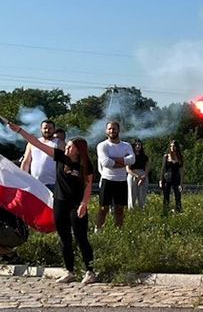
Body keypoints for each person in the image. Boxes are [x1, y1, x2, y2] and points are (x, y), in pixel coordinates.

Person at [7, 123, 97, 284]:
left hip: (76, 204)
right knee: (64, 238)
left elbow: (88, 185)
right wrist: (20, 131)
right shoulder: (60, 157)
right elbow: (37, 144)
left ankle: (90, 271)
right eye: (67, 146)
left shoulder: (85, 164)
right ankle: (70, 271)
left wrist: (84, 203)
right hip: (60, 202)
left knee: (81, 237)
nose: (66, 148)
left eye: (69, 146)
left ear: (78, 149)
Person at [95, 121, 135, 229]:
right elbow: (105, 163)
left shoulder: (126, 145)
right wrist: (123, 162)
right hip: (107, 180)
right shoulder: (102, 145)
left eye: (114, 129)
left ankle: (119, 230)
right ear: (106, 131)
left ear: (118, 130)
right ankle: (98, 229)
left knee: (120, 209)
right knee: (103, 208)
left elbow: (132, 160)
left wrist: (114, 161)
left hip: (121, 181)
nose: (112, 131)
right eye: (110, 129)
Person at [21, 120, 60, 190]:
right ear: (41, 129)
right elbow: (26, 161)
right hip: (35, 183)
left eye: (50, 128)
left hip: (53, 184)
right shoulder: (32, 143)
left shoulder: (60, 143)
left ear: (54, 129)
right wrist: (23, 179)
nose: (47, 130)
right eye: (45, 128)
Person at [160, 140, 184, 213]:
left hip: (176, 179)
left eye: (174, 146)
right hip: (167, 179)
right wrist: (161, 180)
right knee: (166, 197)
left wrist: (181, 182)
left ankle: (178, 211)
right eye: (171, 146)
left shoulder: (180, 157)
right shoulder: (166, 156)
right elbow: (163, 169)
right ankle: (165, 212)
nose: (172, 148)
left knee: (177, 196)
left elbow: (181, 170)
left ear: (177, 147)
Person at [127, 140, 149, 209]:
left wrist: (143, 176)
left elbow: (147, 167)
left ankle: (141, 209)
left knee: (142, 194)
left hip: (143, 175)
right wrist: (137, 176)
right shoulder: (130, 156)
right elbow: (128, 169)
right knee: (132, 193)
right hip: (133, 175)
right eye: (136, 145)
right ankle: (131, 209)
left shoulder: (145, 157)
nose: (138, 146)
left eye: (139, 145)